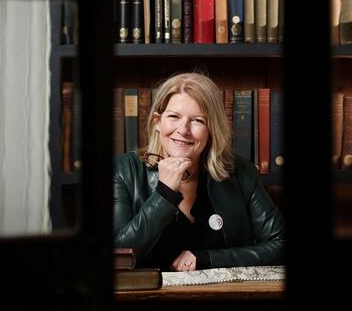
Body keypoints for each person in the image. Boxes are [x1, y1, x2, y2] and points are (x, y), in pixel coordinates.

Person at [113, 72, 285, 271]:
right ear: (157, 122)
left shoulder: (239, 171)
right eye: (174, 117)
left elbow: (281, 244)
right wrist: (164, 194)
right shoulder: (123, 170)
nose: (183, 130)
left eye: (198, 120)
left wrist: (209, 259)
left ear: (212, 129)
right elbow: (119, 257)